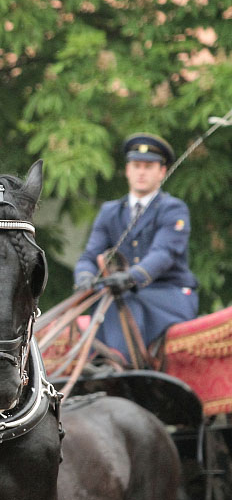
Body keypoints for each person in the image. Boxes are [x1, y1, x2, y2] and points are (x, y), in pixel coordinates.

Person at [73, 133, 199, 364]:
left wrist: (131, 278)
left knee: (120, 301)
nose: (142, 172)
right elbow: (90, 256)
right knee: (107, 300)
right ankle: (91, 365)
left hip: (169, 295)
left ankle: (119, 363)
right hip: (120, 293)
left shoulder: (173, 209)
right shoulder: (109, 211)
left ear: (162, 171)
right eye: (137, 165)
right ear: (127, 170)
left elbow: (164, 253)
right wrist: (84, 277)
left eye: (149, 166)